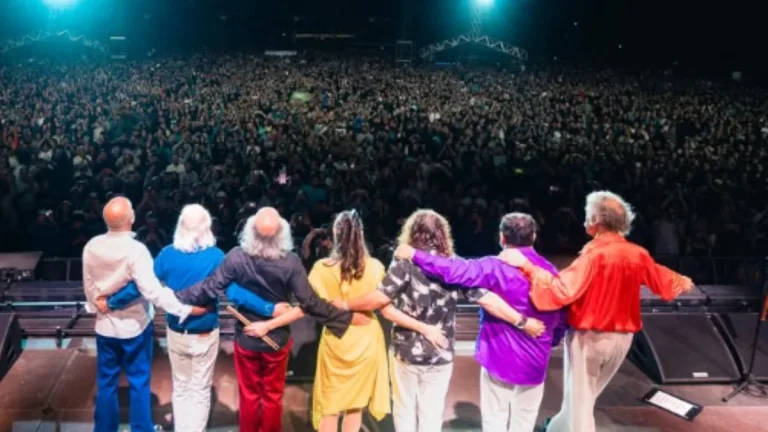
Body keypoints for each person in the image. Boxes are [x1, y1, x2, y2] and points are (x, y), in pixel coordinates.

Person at [499, 191, 695, 432]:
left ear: (596, 220)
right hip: (623, 341)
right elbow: (663, 280)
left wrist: (528, 268)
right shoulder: (638, 254)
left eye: (587, 215)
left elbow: (561, 290)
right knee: (582, 398)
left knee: (580, 404)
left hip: (590, 338)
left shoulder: (594, 255)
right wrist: (682, 281)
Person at [335, 209, 545, 432]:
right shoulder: (453, 267)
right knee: (432, 412)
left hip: (406, 352)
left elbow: (380, 299)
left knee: (404, 408)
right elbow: (487, 299)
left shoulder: (404, 263)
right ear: (442, 233)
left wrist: (345, 304)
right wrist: (522, 321)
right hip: (441, 352)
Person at [98, 204, 290, 432]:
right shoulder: (216, 256)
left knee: (180, 387)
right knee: (199, 390)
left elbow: (139, 286)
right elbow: (235, 292)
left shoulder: (167, 254)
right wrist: (269, 308)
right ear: (207, 228)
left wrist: (111, 303)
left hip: (176, 333)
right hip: (205, 333)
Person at [176, 207, 368, 432]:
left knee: (249, 396)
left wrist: (176, 297)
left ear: (250, 231)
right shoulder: (290, 261)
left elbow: (210, 287)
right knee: (273, 397)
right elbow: (311, 303)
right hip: (276, 341)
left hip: (247, 340)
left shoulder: (237, 257)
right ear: (282, 234)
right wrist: (344, 319)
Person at [394, 212, 568, 432]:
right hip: (535, 358)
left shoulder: (493, 266)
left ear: (502, 238)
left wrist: (416, 255)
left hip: (499, 356)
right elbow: (563, 317)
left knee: (494, 419)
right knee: (524, 421)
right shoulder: (550, 272)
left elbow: (454, 271)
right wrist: (549, 341)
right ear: (533, 236)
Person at [83, 197, 206, 432]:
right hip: (134, 328)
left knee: (106, 383)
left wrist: (97, 306)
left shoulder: (92, 246)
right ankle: (142, 428)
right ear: (131, 218)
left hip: (104, 327)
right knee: (139, 382)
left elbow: (89, 286)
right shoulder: (136, 250)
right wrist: (184, 309)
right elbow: (152, 291)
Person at [305, 210, 389, 431]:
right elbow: (380, 302)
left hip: (336, 340)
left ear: (335, 234)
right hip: (367, 339)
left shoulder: (321, 269)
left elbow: (316, 305)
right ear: (360, 234)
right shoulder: (376, 267)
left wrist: (344, 309)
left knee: (330, 407)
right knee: (355, 407)